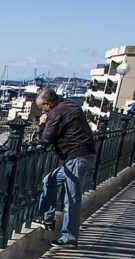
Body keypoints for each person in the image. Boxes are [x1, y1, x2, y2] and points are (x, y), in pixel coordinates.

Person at [33, 88, 96, 247]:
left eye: (42, 109)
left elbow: (46, 138)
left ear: (48, 104)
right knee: (50, 180)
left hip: (76, 157)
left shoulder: (57, 112)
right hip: (82, 155)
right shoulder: (70, 105)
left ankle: (69, 238)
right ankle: (47, 217)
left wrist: (42, 124)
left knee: (72, 199)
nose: (43, 111)